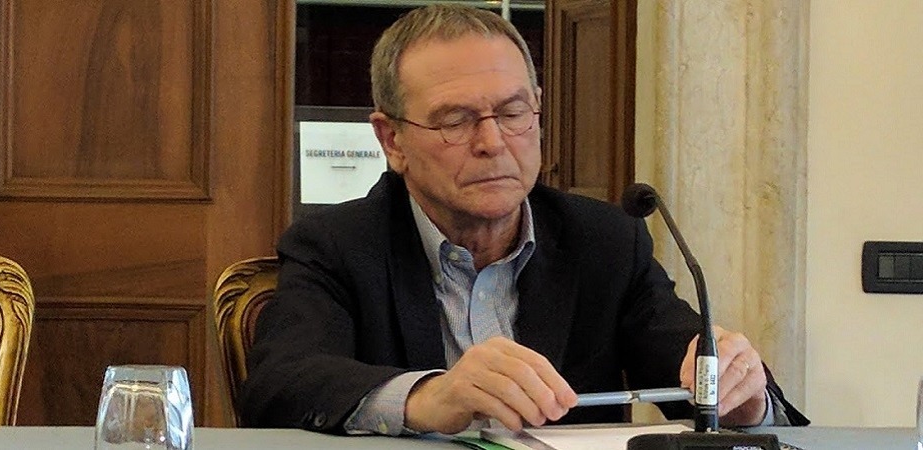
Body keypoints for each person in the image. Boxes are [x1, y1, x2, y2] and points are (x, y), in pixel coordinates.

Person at [240, 4, 808, 435]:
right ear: (392, 140)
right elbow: (281, 385)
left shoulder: (604, 241)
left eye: (513, 112)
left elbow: (685, 363)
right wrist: (429, 398)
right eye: (455, 121)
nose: (493, 142)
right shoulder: (337, 245)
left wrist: (742, 396)